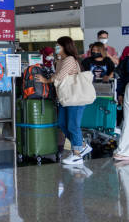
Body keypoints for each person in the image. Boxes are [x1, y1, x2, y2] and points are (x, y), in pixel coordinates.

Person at [36, 36, 92, 166]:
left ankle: (77, 155)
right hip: (66, 98)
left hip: (75, 98)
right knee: (62, 124)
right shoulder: (61, 60)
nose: (56, 48)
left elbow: (60, 77)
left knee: (73, 125)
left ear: (65, 47)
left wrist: (46, 80)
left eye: (58, 46)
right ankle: (82, 145)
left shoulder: (70, 60)